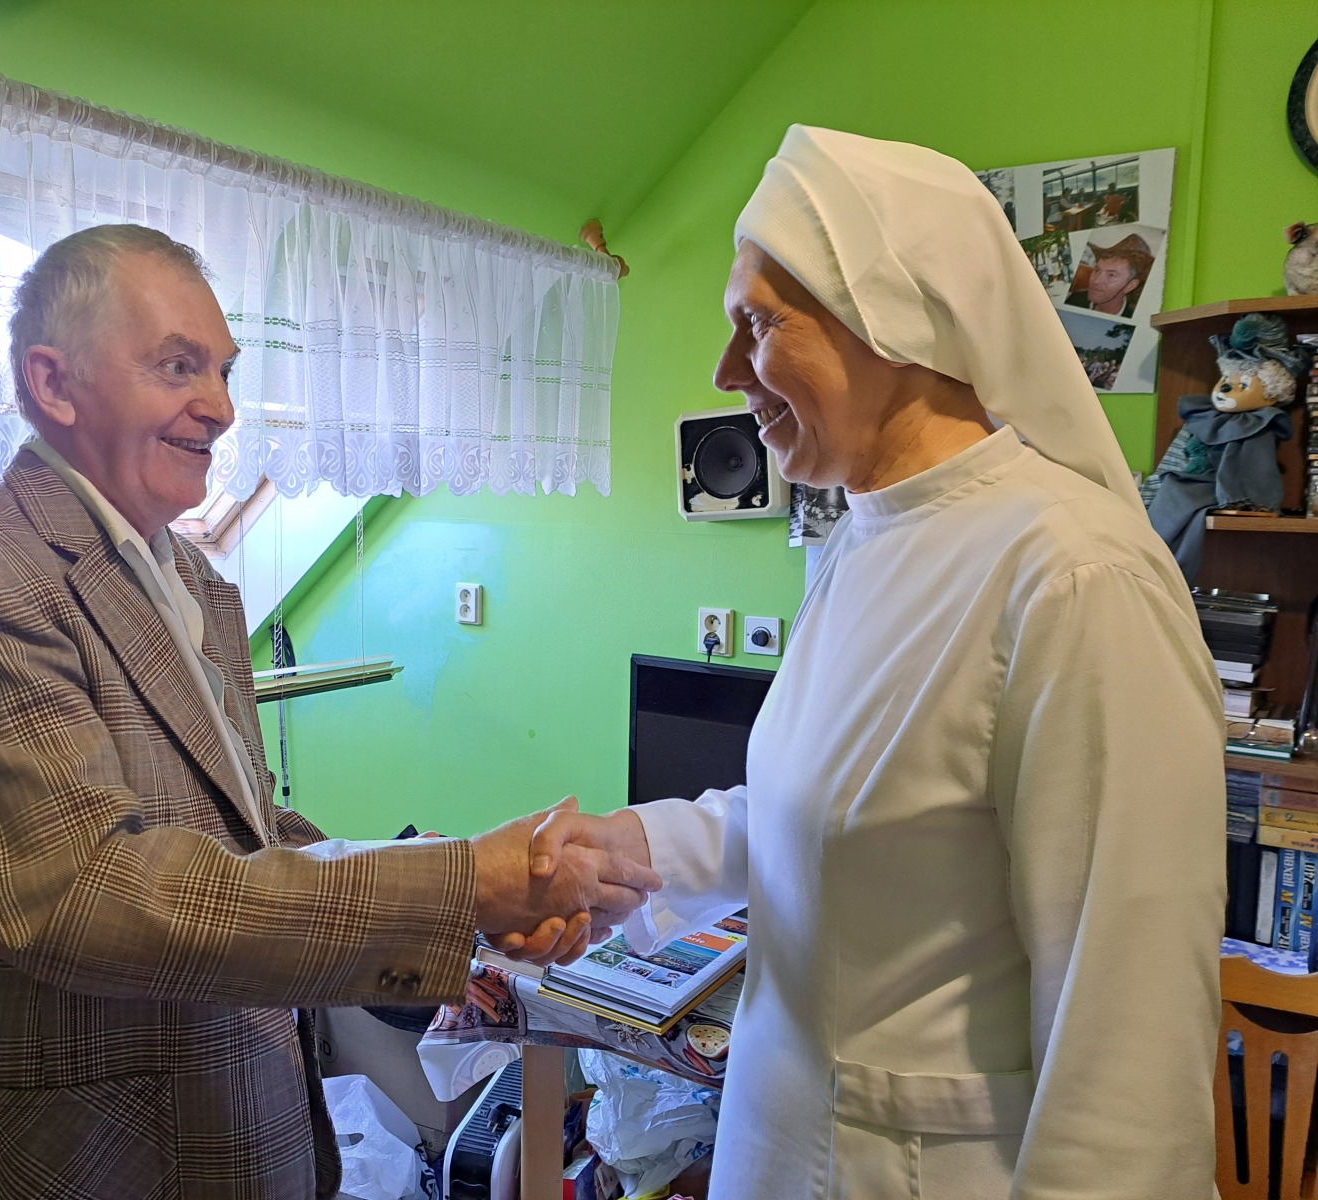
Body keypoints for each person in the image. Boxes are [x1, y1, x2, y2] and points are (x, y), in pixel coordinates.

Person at [0, 224, 655, 1199]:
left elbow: (244, 834)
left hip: (237, 1134)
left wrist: (473, 911)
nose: (222, 407)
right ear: (53, 384)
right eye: (178, 366)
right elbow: (92, 896)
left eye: (225, 370)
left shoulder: (192, 578)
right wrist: (460, 888)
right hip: (74, 1164)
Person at [516, 127, 1224, 1197]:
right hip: (777, 1144)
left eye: (759, 324)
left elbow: (1127, 1026)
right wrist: (634, 846)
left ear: (892, 318)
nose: (725, 373)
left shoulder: (1074, 577)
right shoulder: (861, 538)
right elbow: (832, 816)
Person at [1066, 232, 1154, 318]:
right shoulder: (1075, 299)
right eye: (1097, 270)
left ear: (1130, 286)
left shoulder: (1134, 317)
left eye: (1111, 275)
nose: (1096, 281)